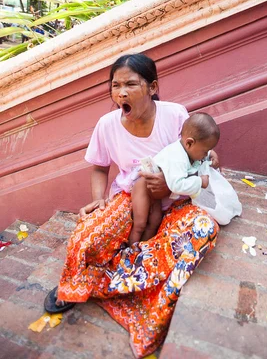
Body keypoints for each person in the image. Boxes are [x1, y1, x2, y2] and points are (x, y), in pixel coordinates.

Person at [43, 53, 219, 359]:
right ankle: (86, 282)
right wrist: (100, 199)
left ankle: (126, 287)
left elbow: (199, 156)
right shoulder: (107, 125)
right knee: (89, 235)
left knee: (204, 229)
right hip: (130, 197)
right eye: (116, 86)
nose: (121, 92)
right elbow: (99, 166)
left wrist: (173, 184)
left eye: (131, 84)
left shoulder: (176, 116)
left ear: (152, 87)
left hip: (175, 202)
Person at [128, 113, 220, 245]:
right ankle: (130, 252)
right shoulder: (177, 158)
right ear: (189, 143)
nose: (205, 155)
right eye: (205, 151)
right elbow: (176, 185)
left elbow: (201, 149)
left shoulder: (189, 149)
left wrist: (211, 155)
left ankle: (143, 249)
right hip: (144, 189)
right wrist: (200, 181)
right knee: (140, 224)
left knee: (154, 222)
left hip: (156, 196)